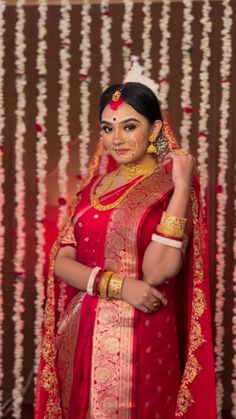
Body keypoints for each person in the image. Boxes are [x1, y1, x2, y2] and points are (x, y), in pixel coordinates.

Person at [35, 65, 217, 418]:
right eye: (108, 128)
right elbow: (60, 260)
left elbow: (157, 271)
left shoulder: (168, 190)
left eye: (129, 126)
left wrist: (181, 186)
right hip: (82, 331)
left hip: (143, 333)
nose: (116, 138)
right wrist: (118, 286)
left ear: (155, 130)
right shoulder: (93, 190)